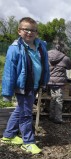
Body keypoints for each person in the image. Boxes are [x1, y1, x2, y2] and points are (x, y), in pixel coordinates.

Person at [0, 17, 50, 154]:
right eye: (26, 29)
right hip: (23, 86)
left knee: (20, 110)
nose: (30, 32)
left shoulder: (40, 46)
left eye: (33, 30)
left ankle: (8, 135)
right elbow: (9, 72)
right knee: (26, 114)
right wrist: (7, 93)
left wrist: (44, 82)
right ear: (19, 31)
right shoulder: (15, 48)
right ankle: (28, 142)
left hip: (34, 85)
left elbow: (44, 65)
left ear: (37, 33)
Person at [48, 37, 71, 124]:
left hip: (49, 81)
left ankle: (51, 116)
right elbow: (70, 67)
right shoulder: (65, 58)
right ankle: (58, 118)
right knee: (59, 99)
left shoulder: (47, 54)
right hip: (59, 82)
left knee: (53, 98)